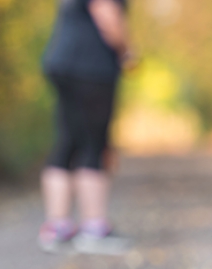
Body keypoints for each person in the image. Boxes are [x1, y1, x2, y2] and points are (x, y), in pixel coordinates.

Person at [39, 0, 130, 254]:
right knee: (94, 144)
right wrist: (127, 51)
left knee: (67, 142)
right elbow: (107, 14)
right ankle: (93, 228)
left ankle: (57, 227)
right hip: (91, 67)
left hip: (62, 61)